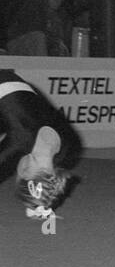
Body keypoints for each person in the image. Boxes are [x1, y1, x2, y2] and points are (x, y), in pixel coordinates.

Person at [0, 69, 80, 219]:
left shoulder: (71, 150)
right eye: (18, 175)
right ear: (24, 171)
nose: (14, 170)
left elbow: (45, 182)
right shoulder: (20, 142)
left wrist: (41, 201)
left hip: (16, 88)